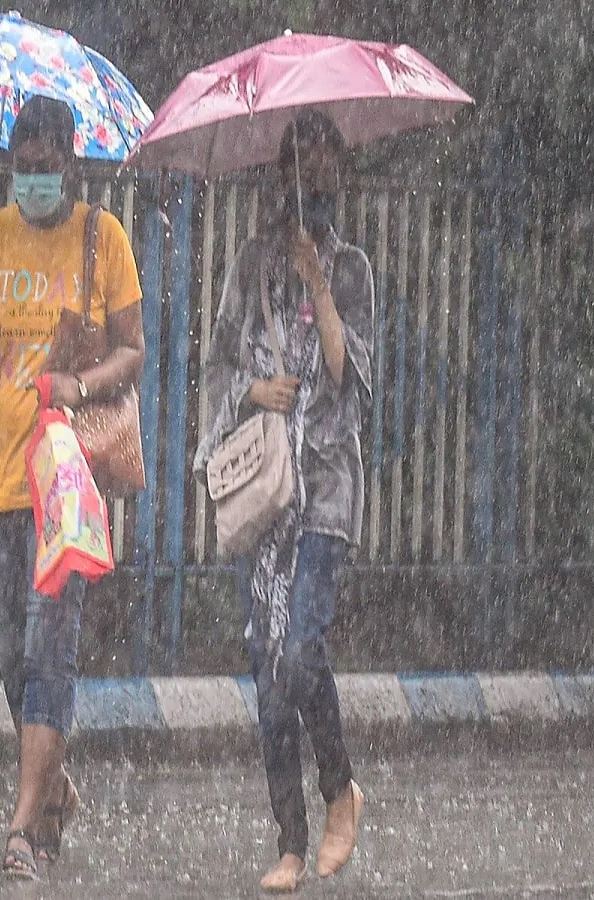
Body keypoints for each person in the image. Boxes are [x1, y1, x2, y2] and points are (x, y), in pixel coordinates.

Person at [0, 95, 144, 881]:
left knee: (49, 648)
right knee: (14, 657)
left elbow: (134, 351)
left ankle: (23, 826)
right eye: (21, 168)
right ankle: (53, 788)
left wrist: (76, 383)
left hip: (64, 480)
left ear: (71, 159)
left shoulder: (104, 238)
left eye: (46, 166)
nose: (33, 181)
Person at [194, 110, 374, 893]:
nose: (313, 178)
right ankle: (290, 839)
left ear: (339, 172)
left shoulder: (355, 268)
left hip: (326, 487)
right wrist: (250, 389)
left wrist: (318, 281)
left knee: (300, 651)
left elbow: (348, 376)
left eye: (324, 162)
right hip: (263, 497)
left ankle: (340, 789)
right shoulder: (248, 264)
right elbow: (218, 365)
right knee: (268, 673)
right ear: (280, 176)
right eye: (299, 163)